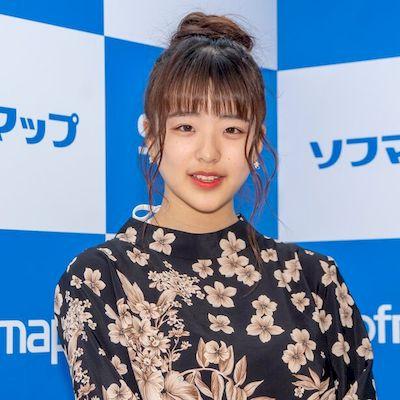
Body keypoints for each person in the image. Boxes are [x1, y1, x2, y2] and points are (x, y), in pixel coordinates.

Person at [54, 11, 377, 400]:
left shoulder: (314, 280)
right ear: (152, 137)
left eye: (232, 130)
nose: (208, 153)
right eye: (186, 127)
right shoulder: (99, 279)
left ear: (256, 144)